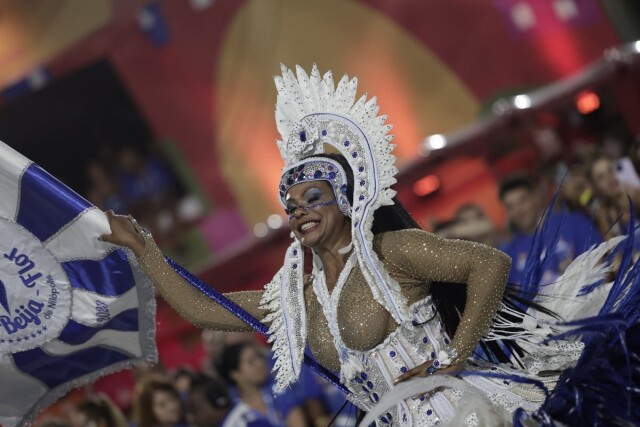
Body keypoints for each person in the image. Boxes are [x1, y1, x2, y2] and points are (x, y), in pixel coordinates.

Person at [102, 65, 639, 426]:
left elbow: (490, 264)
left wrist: (453, 358)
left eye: (313, 197)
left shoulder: (391, 252)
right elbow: (203, 308)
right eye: (291, 206)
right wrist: (143, 248)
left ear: (345, 200)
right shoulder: (298, 298)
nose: (300, 212)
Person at [498, 174, 602, 285]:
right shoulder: (508, 257)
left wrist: (575, 272)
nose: (519, 210)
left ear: (536, 196)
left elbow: (600, 262)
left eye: (522, 201)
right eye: (511, 206)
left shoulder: (574, 223)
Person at [187, 374, 272, 427]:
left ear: (216, 402)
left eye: (195, 410)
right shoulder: (240, 409)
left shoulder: (240, 423)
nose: (191, 418)